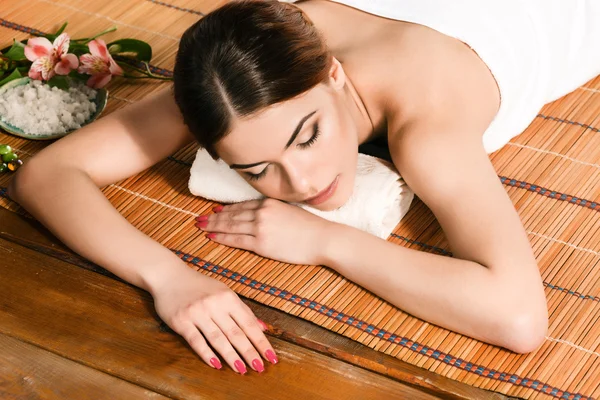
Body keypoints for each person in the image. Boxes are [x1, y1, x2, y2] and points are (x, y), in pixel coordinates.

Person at [8, 0, 600, 374]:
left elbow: (519, 316)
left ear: (334, 75)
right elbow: (46, 175)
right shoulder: (244, 80)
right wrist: (170, 278)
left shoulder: (430, 131)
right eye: (256, 169)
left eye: (308, 136)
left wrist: (325, 241)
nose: (306, 183)